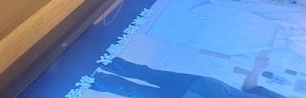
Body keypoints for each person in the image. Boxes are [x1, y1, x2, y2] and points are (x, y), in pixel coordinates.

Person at [91, 52, 288, 97]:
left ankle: (87, 77)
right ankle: (96, 57)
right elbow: (250, 89)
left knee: (133, 91)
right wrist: (257, 69)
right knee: (147, 73)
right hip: (203, 85)